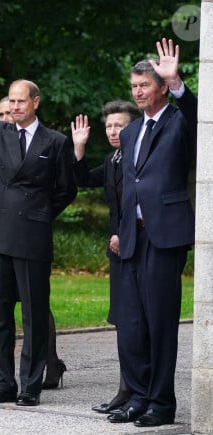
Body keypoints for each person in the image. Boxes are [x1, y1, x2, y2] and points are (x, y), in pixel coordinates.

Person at [0, 70, 76, 406]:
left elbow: (66, 189)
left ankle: (30, 387)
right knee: (0, 313)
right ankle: (3, 384)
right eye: (12, 101)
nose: (16, 106)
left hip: (32, 236)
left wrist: (41, 213)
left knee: (34, 314)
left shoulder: (55, 141)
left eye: (22, 101)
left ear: (35, 102)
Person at [106, 39, 196, 427]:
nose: (138, 92)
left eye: (145, 85)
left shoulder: (179, 121)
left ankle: (162, 403)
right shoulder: (130, 133)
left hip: (165, 237)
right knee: (132, 322)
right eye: (135, 86)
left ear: (161, 87)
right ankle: (138, 398)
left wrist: (178, 82)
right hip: (132, 238)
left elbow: (199, 117)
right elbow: (128, 184)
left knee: (160, 323)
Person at [71, 100, 142, 413]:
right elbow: (83, 179)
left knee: (136, 321)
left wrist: (125, 233)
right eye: (110, 126)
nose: (114, 131)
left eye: (120, 125)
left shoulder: (140, 158)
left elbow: (140, 201)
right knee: (121, 321)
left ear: (134, 128)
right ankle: (125, 390)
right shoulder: (113, 159)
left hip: (138, 247)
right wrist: (79, 148)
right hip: (117, 251)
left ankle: (135, 390)